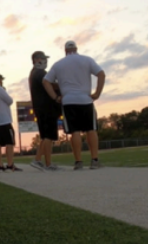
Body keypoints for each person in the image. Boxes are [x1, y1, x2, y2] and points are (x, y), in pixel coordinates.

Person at [43, 40, 105, 170]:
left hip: (68, 101)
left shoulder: (59, 64)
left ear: (65, 51)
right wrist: (97, 93)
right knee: (91, 129)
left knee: (74, 131)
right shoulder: (87, 60)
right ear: (76, 49)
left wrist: (55, 97)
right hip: (85, 99)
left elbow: (46, 81)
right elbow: (101, 74)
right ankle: (94, 160)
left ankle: (78, 162)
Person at [29, 51, 61, 172]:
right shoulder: (40, 73)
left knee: (44, 136)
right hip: (46, 107)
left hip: (39, 107)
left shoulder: (33, 73)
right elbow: (51, 84)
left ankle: (38, 159)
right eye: (43, 58)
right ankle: (48, 164)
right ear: (36, 60)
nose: (45, 61)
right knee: (49, 136)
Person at [0, 73, 21, 172]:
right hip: (4, 119)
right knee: (9, 142)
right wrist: (3, 90)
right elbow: (9, 100)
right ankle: (10, 164)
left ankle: (0, 165)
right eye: (1, 80)